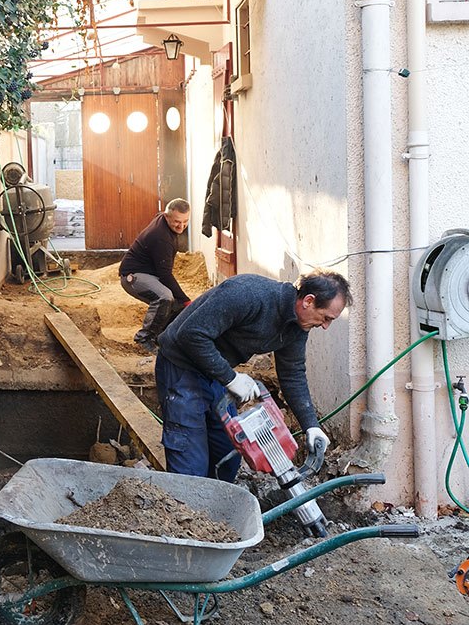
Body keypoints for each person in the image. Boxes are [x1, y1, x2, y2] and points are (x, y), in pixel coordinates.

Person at [155, 270, 352, 480]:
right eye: (326, 318)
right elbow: (190, 334)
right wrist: (230, 378)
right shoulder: (248, 294)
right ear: (308, 301)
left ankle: (217, 510)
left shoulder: (296, 327)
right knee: (191, 465)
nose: (325, 326)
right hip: (181, 367)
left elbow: (292, 374)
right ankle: (188, 509)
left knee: (227, 456)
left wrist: (311, 425)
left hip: (215, 372)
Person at [119, 199, 191, 352]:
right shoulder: (161, 237)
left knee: (175, 304)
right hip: (133, 276)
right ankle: (143, 339)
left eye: (185, 221)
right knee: (165, 297)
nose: (181, 226)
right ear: (166, 217)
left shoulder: (164, 221)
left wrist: (181, 302)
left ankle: (162, 338)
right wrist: (186, 300)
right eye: (177, 222)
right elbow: (165, 275)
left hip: (151, 273)